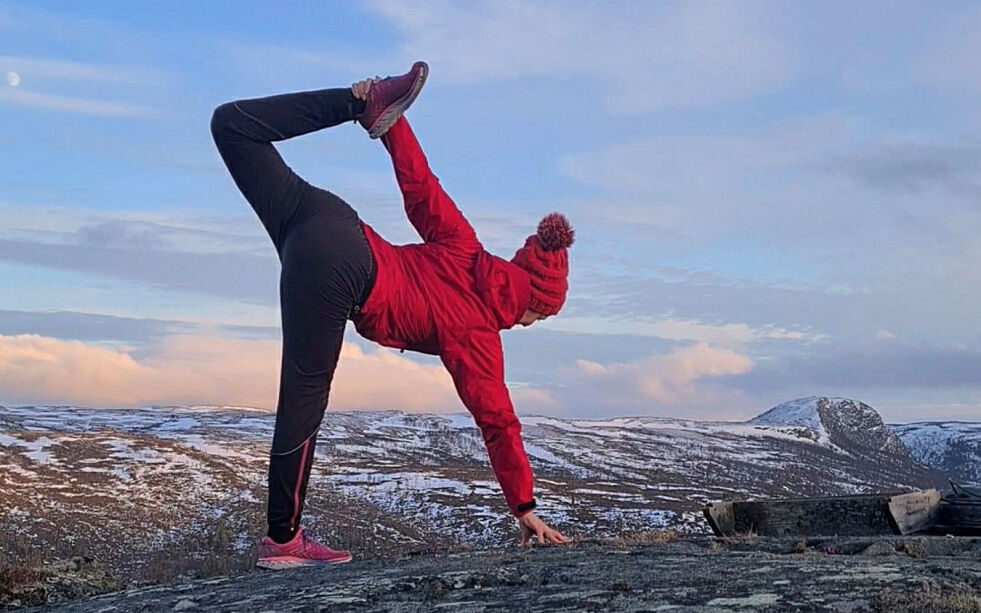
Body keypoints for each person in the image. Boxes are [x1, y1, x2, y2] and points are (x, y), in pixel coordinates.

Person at [210, 61, 573, 570]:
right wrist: (525, 507)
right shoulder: (477, 333)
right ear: (536, 302)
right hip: (344, 274)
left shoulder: (466, 246)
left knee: (232, 126)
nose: (534, 323)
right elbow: (498, 422)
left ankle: (357, 101)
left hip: (327, 218)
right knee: (302, 402)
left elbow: (420, 186)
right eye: (541, 316)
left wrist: (390, 122)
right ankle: (283, 540)